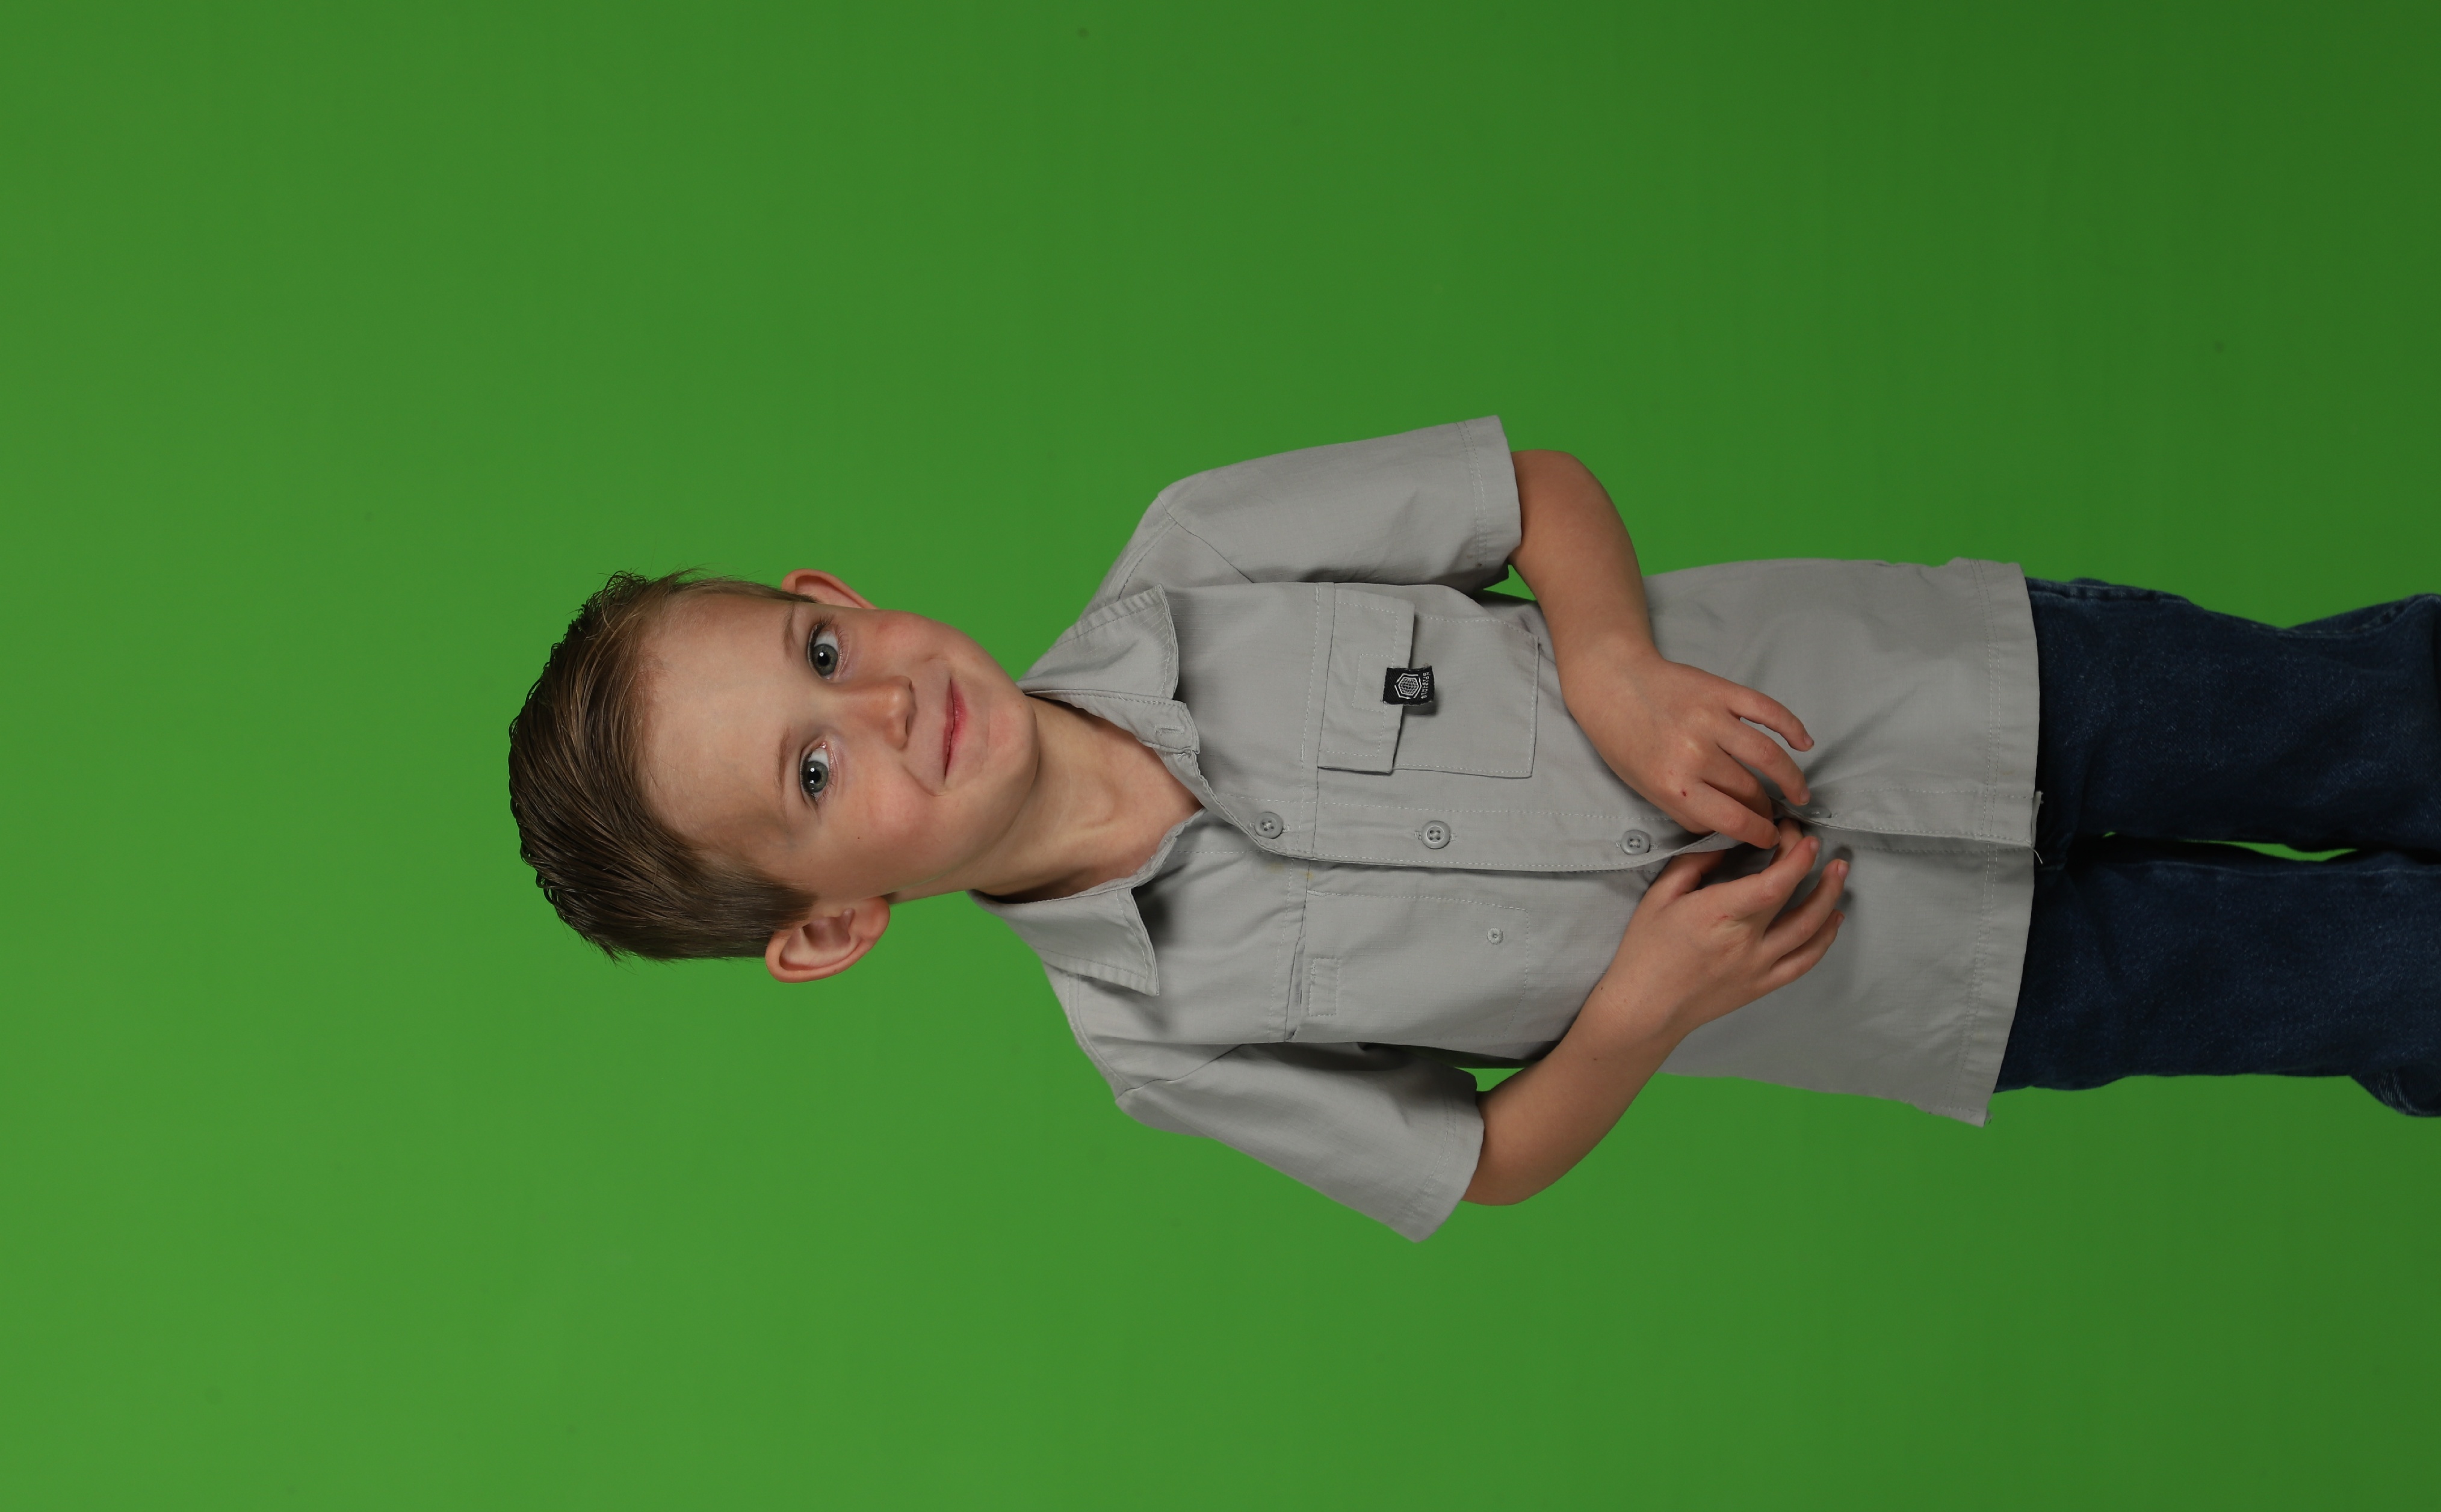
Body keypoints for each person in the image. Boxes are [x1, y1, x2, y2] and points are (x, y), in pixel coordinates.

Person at [507, 420, 2441, 1241]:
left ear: (832, 592)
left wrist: (1610, 667)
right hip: (1929, 987)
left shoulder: (1200, 551)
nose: (878, 708)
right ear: (829, 925)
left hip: (1953, 681)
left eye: (821, 654)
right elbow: (1482, 1159)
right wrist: (1639, 1010)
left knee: (2371, 728)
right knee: (2372, 975)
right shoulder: (1158, 1042)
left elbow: (1527, 491)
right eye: (812, 779)